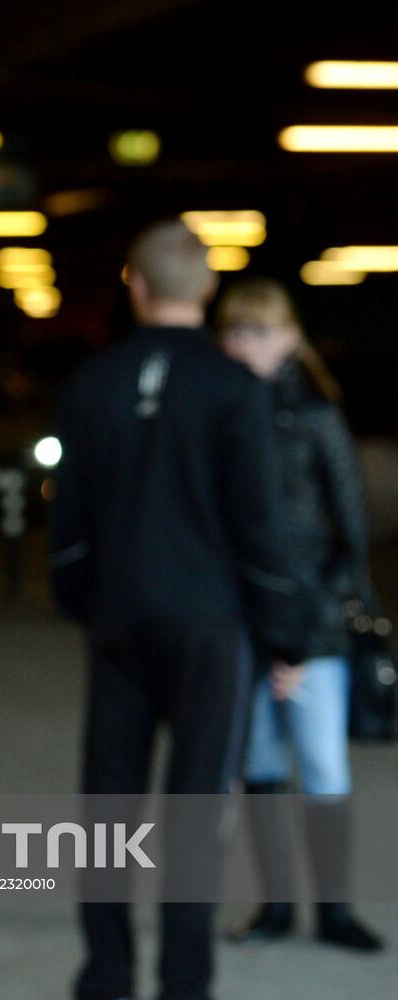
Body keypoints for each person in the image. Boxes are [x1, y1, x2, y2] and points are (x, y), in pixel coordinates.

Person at [48, 218, 312, 1000]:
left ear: (135, 285)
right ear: (207, 289)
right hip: (209, 625)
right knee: (198, 811)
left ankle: (106, 975)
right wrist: (285, 637)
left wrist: (82, 601)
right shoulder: (236, 389)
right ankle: (184, 983)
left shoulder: (92, 384)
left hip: (120, 616)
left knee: (107, 806)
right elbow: (261, 523)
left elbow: (70, 521)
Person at [215, 277, 384, 952]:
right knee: (258, 764)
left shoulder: (316, 416)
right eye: (233, 331)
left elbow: (351, 535)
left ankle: (335, 911)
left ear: (289, 337)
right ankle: (277, 906)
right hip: (243, 624)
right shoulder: (220, 417)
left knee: (321, 764)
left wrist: (302, 639)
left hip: (312, 629)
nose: (244, 344)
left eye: (257, 330)